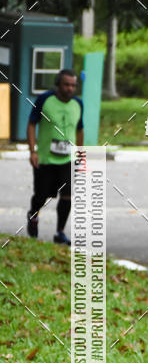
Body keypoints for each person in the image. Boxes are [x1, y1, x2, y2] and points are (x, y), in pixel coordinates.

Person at [26, 68, 83, 245]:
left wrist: (80, 154)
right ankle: (33, 215)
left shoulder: (78, 103)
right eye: (66, 84)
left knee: (67, 196)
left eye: (73, 85)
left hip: (67, 160)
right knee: (42, 195)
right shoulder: (45, 99)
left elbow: (80, 129)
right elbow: (31, 124)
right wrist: (32, 151)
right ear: (58, 84)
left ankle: (60, 232)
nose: (70, 89)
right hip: (45, 158)